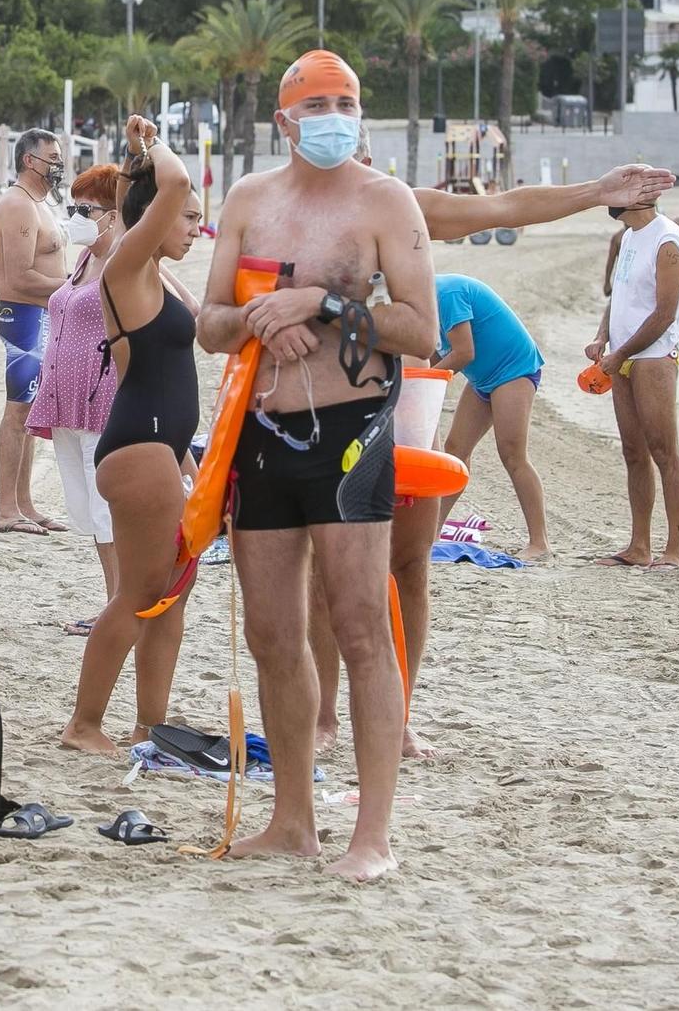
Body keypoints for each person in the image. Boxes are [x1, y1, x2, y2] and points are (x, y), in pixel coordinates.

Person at [320, 154, 676, 760]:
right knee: (326, 576)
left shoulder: (401, 206)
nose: (356, 159)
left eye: (355, 131)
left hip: (411, 403)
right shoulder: (284, 211)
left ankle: (399, 718)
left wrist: (597, 189)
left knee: (411, 566)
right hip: (327, 409)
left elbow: (505, 206)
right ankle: (326, 715)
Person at [199, 50, 437, 882]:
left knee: (360, 625)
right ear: (285, 117)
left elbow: (420, 329)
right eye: (319, 102)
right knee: (272, 633)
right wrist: (261, 320)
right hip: (264, 433)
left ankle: (371, 835)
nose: (336, 114)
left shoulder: (385, 201)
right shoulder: (249, 200)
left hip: (352, 429)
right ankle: (292, 820)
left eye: (348, 100)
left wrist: (326, 305)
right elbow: (210, 321)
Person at [61, 125, 204, 754]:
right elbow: (168, 182)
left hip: (159, 446)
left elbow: (142, 370)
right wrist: (154, 146)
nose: (196, 226)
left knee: (170, 595)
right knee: (139, 593)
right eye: (190, 216)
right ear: (157, 216)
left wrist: (184, 458)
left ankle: (150, 724)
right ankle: (83, 725)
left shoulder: (159, 278)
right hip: (137, 446)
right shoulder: (128, 265)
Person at [29, 165, 124, 629]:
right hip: (67, 399)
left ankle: (117, 606)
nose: (76, 216)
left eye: (85, 209)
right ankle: (113, 602)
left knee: (106, 509)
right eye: (73, 207)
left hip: (101, 399)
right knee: (87, 509)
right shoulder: (87, 258)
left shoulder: (125, 259)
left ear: (113, 213)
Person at [589, 196, 679, 569]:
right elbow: (620, 297)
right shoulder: (629, 236)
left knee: (664, 450)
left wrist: (621, 354)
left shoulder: (667, 240)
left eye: (617, 196)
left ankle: (675, 550)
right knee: (633, 452)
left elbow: (665, 314)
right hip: (621, 355)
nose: (609, 202)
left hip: (655, 356)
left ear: (636, 199)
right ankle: (639, 546)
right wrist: (603, 337)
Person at [431, 274, 547, 558]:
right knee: (455, 450)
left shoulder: (447, 293)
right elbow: (433, 357)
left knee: (512, 454)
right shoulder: (421, 307)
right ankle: (432, 532)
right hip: (482, 379)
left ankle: (540, 543)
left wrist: (424, 381)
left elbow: (463, 353)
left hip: (514, 369)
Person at [0, 128, 67, 535]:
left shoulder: (40, 205)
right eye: (52, 157)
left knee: (31, 411)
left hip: (42, 318)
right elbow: (17, 277)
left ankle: (23, 504)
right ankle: (5, 509)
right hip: (24, 318)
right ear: (28, 160)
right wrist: (73, 285)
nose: (58, 163)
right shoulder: (19, 206)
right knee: (18, 409)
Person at [605, 213, 679, 305]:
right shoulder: (619, 238)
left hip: (675, 284)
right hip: (624, 278)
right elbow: (611, 261)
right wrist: (607, 282)